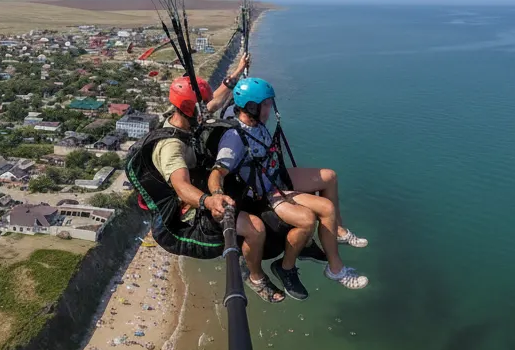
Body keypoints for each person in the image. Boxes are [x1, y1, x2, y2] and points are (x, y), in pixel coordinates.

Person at [125, 54, 287, 301]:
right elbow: (181, 185)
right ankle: (255, 277)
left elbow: (216, 99)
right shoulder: (171, 147)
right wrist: (208, 201)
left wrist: (238, 70)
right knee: (255, 229)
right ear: (190, 109)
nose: (207, 109)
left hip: (197, 196)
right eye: (201, 106)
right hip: (181, 223)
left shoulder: (188, 120)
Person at [210, 76, 369, 300]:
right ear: (252, 107)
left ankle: (337, 249)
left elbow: (224, 102)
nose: (269, 109)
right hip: (265, 193)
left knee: (329, 192)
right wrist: (217, 195)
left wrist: (240, 72)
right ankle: (287, 268)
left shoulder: (250, 120)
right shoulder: (234, 138)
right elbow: (217, 172)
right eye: (266, 104)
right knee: (309, 218)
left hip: (275, 178)